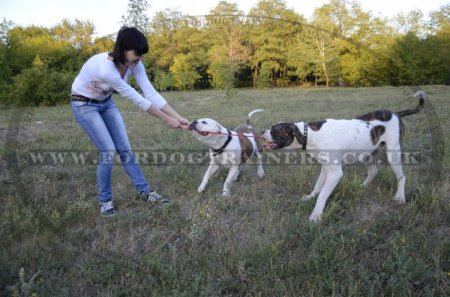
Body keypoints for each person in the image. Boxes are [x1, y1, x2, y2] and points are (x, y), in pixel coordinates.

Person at [70, 26, 189, 216]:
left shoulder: (135, 65)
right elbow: (139, 100)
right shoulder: (106, 69)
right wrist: (167, 120)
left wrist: (177, 116)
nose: (140, 58)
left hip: (105, 102)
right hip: (83, 104)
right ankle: (105, 201)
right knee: (108, 150)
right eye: (137, 53)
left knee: (124, 148)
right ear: (123, 49)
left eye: (142, 54)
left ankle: (146, 192)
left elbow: (150, 93)